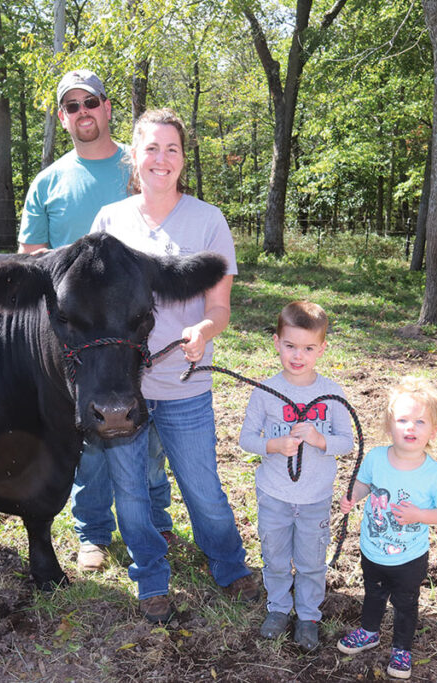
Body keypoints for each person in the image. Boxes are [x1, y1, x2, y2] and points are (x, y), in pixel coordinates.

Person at [91, 108, 258, 624]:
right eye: (151, 149)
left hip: (186, 386)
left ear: (183, 159)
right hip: (125, 391)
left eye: (172, 149)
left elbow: (219, 306)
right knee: (132, 495)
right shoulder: (110, 223)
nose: (161, 159)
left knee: (203, 489)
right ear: (133, 158)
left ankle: (230, 567)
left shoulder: (208, 221)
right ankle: (151, 579)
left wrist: (203, 331)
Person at [18, 69, 172, 572]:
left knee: (141, 426)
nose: (83, 112)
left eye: (92, 102)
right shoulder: (49, 181)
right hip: (79, 334)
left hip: (130, 325)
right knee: (87, 429)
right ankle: (93, 533)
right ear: (63, 117)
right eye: (72, 106)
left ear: (108, 108)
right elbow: (29, 255)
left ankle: (155, 517)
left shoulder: (142, 164)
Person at [238, 301, 355, 650]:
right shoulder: (265, 391)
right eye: (290, 346)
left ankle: (307, 615)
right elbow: (246, 439)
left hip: (315, 497)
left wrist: (320, 440)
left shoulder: (333, 394)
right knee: (274, 556)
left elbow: (347, 442)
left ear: (322, 349)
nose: (298, 355)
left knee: (310, 561)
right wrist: (273, 445)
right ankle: (277, 607)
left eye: (307, 348)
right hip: (274, 494)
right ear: (276, 343)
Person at [336, 377, 437, 680]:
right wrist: (353, 495)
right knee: (373, 594)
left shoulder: (434, 474)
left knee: (406, 602)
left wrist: (419, 514)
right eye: (402, 420)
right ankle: (369, 631)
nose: (410, 427)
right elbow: (364, 483)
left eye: (420, 421)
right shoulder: (377, 458)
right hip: (373, 549)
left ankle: (402, 648)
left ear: (433, 431)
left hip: (410, 556)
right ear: (389, 426)